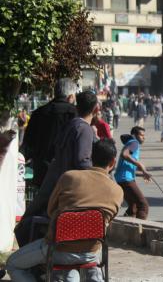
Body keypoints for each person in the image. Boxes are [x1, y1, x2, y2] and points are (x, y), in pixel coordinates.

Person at [6, 139, 123, 282]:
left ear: (91, 157)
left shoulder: (69, 177)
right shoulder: (117, 191)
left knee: (12, 264)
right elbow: (106, 221)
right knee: (71, 272)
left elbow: (51, 210)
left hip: (57, 250)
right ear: (113, 162)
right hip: (91, 253)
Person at [16, 91, 98, 246]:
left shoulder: (71, 124)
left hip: (53, 180)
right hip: (67, 188)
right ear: (96, 109)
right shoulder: (84, 129)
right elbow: (82, 161)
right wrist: (98, 177)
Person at [22, 78, 77, 187]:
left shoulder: (38, 113)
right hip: (67, 174)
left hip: (42, 173)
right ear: (71, 97)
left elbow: (28, 144)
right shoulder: (75, 113)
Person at [115, 126, 152, 219]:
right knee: (143, 205)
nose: (144, 137)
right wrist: (140, 165)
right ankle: (140, 231)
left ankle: (126, 226)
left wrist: (143, 173)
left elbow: (126, 166)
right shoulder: (134, 143)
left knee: (133, 206)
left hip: (122, 178)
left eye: (144, 135)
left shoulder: (130, 143)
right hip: (125, 179)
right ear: (134, 135)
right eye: (141, 135)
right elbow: (124, 154)